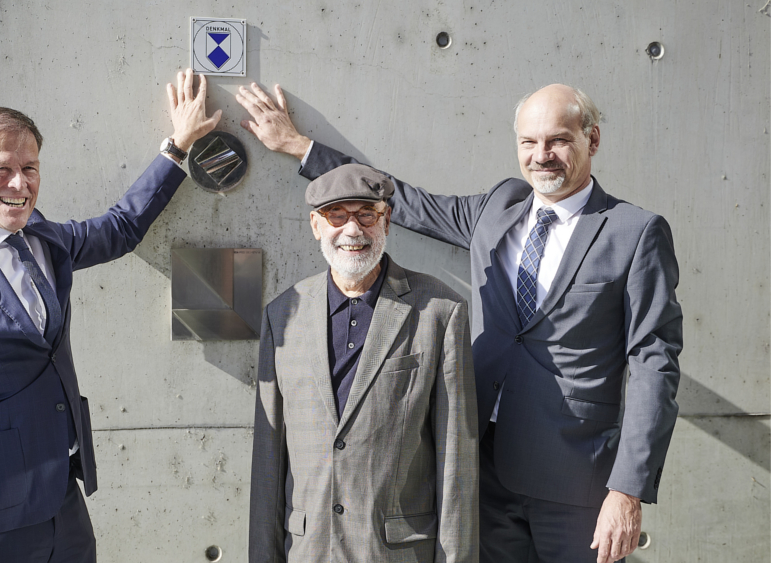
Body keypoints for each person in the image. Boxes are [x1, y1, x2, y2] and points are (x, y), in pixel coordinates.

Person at [237, 83, 681, 563]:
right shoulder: (499, 207)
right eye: (528, 142)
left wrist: (627, 489)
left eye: (558, 140)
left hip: (574, 480)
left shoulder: (634, 231)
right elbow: (403, 203)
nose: (541, 155)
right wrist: (299, 145)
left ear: (591, 140)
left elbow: (655, 364)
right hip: (481, 472)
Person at [0, 69, 221, 563]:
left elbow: (121, 227)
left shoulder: (46, 240)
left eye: (31, 168)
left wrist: (177, 146)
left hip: (63, 504)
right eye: (2, 169)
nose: (19, 184)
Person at [249, 164, 478, 563]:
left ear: (385, 220)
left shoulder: (439, 310)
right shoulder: (283, 313)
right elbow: (268, 462)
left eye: (365, 214)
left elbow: (456, 462)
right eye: (337, 215)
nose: (352, 230)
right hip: (307, 550)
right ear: (316, 225)